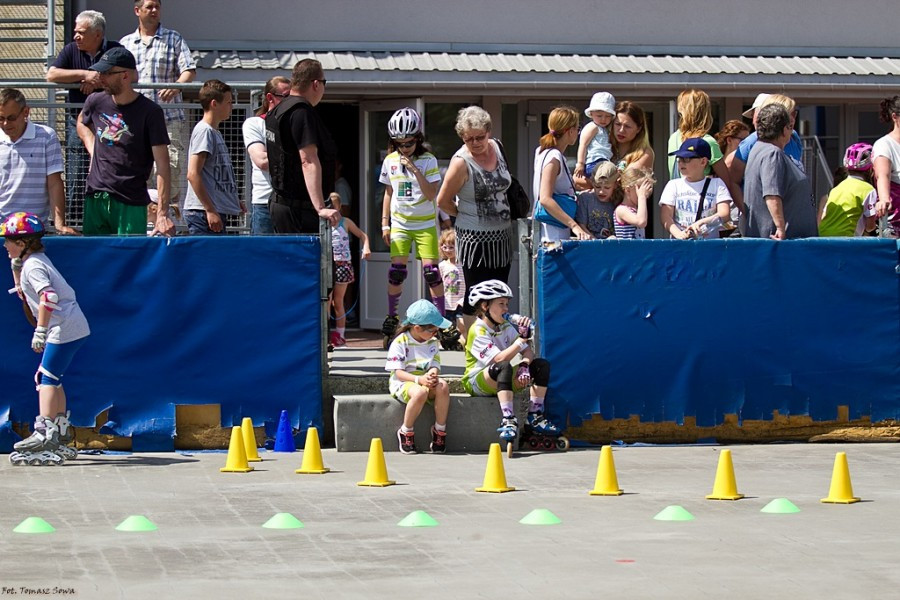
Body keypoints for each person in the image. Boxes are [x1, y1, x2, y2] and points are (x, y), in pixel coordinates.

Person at [3, 212, 90, 466]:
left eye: (8, 240)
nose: (4, 245)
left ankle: (44, 432)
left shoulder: (33, 265)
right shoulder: (34, 260)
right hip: (73, 326)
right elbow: (23, 292)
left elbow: (48, 297)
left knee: (46, 378)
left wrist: (40, 330)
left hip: (63, 328)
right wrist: (16, 269)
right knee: (53, 377)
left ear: (22, 244)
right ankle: (59, 429)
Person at [76, 47, 174, 236]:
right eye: (100, 72)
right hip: (96, 196)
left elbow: (163, 165)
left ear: (125, 75)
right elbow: (81, 122)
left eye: (107, 73)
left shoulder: (150, 112)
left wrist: (162, 213)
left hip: (131, 200)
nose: (101, 78)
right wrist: (92, 146)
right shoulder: (95, 101)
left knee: (129, 260)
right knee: (95, 260)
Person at [436, 106, 515, 329]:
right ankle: (474, 345)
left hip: (501, 236)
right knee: (476, 295)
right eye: (469, 139)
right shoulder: (461, 162)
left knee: (500, 293)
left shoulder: (497, 147)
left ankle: (495, 341)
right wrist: (464, 214)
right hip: (474, 239)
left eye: (480, 137)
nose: (475, 143)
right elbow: (443, 201)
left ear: (488, 132)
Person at [462, 280, 562, 449]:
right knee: (504, 366)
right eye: (501, 304)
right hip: (477, 381)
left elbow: (528, 351)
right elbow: (499, 360)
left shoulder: (505, 325)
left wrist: (524, 365)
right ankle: (508, 419)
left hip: (502, 379)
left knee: (541, 365)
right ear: (485, 306)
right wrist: (521, 341)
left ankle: (534, 415)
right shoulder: (477, 330)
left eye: (507, 304)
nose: (506, 309)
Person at [120, 0, 196, 216]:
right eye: (149, 6)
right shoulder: (125, 43)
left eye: (157, 7)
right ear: (137, 11)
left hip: (168, 118)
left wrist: (176, 87)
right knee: (137, 171)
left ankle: (167, 219)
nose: (154, 10)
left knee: (169, 169)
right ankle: (142, 221)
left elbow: (189, 70)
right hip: (134, 121)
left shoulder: (173, 38)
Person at [46, 10, 122, 224]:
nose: (76, 37)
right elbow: (52, 75)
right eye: (75, 32)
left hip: (110, 123)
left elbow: (130, 75)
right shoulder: (71, 50)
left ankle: (108, 219)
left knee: (110, 168)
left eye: (81, 32)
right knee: (77, 172)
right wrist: (84, 74)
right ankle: (75, 222)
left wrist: (100, 79)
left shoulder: (115, 50)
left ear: (97, 34)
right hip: (77, 121)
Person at [377, 107, 445, 346]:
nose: (404, 148)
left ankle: (441, 323)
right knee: (396, 272)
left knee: (432, 274)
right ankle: (392, 318)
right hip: (400, 224)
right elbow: (388, 192)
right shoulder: (390, 161)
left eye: (408, 144)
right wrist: (385, 224)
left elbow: (431, 194)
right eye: (399, 144)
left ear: (417, 139)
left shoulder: (428, 160)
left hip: (425, 223)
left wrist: (415, 169)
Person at [265, 58, 340, 233]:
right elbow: (308, 161)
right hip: (299, 211)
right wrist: (320, 207)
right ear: (315, 84)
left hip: (282, 205)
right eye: (324, 82)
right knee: (307, 261)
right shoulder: (301, 112)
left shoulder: (278, 110)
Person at [0, 89, 74, 234]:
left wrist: (60, 225)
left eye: (12, 118)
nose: (5, 124)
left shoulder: (46, 136)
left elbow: (54, 183)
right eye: (0, 118)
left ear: (26, 112)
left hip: (35, 229)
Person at [740, 104, 817, 239]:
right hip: (780, 243)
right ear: (783, 130)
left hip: (780, 242)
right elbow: (772, 193)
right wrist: (780, 228)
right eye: (790, 127)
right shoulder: (772, 153)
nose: (792, 132)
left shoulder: (759, 149)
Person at [385, 299, 451, 454]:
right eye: (432, 331)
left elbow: (434, 363)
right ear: (417, 328)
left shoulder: (432, 342)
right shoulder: (400, 342)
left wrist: (433, 373)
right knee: (420, 392)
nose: (435, 334)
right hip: (403, 382)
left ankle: (440, 430)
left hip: (424, 379)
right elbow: (398, 373)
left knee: (443, 386)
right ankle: (406, 430)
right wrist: (419, 380)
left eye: (437, 331)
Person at [667, 89, 743, 214]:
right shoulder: (708, 141)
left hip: (678, 206)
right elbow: (726, 181)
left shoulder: (674, 138)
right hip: (704, 208)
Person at [182, 80, 242, 235]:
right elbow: (193, 173)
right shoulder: (205, 131)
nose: (232, 107)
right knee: (206, 259)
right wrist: (209, 210)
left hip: (212, 210)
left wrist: (232, 200)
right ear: (214, 104)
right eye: (229, 102)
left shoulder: (215, 132)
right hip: (202, 213)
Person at [533, 106, 590, 242]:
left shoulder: (541, 151)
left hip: (550, 232)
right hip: (552, 235)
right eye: (577, 128)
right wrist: (574, 226)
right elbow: (545, 199)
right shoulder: (554, 157)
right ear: (570, 131)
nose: (578, 132)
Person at [242, 76, 290, 235]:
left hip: (292, 203)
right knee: (262, 257)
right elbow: (262, 161)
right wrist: (297, 160)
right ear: (270, 98)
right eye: (286, 97)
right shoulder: (254, 123)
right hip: (264, 203)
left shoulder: (295, 123)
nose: (291, 103)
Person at [659, 137, 733, 239]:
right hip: (681, 246)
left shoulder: (717, 184)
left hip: (708, 246)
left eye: (686, 159)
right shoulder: (673, 185)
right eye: (679, 159)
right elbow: (666, 217)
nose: (681, 163)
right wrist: (678, 234)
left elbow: (725, 214)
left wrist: (702, 223)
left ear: (703, 162)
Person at [727, 94, 805, 190]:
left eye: (794, 113)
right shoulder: (751, 142)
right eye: (790, 113)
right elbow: (732, 177)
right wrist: (743, 205)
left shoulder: (793, 137)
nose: (793, 118)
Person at [819, 143, 877, 237]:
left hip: (824, 236)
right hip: (847, 239)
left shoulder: (836, 189)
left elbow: (824, 216)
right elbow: (869, 227)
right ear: (870, 169)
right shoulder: (868, 190)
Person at [329, 213, 370, 348]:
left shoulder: (345, 221)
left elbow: (363, 235)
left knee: (338, 301)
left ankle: (340, 335)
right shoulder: (323, 222)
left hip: (342, 264)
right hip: (328, 263)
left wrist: (366, 247)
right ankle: (325, 335)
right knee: (326, 301)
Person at [573, 91, 615, 187]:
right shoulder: (592, 127)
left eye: (608, 116)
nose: (603, 119)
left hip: (605, 161)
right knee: (603, 183)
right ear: (591, 114)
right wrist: (580, 163)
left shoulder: (605, 130)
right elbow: (583, 144)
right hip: (595, 161)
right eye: (599, 116)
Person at [872, 95, 900, 237]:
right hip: (895, 222)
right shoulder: (885, 145)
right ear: (895, 117)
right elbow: (883, 176)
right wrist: (884, 198)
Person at [438, 228, 466, 349]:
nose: (448, 250)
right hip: (448, 301)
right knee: (447, 325)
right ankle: (447, 342)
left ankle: (462, 342)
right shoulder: (442, 265)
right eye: (445, 247)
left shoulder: (463, 264)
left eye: (451, 247)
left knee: (462, 324)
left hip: (462, 300)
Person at [575, 161, 619, 239]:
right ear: (592, 182)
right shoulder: (585, 198)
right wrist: (595, 242)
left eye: (607, 187)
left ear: (615, 185)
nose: (601, 191)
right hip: (590, 243)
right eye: (597, 187)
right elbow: (581, 225)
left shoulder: (617, 200)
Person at [610, 100, 655, 172]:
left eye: (627, 126)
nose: (621, 130)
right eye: (618, 124)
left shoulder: (644, 153)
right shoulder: (605, 147)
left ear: (638, 129)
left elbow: (628, 179)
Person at [614, 166, 654, 239]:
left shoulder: (636, 209)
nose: (644, 193)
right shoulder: (621, 210)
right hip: (627, 250)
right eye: (640, 189)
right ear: (628, 190)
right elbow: (641, 222)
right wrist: (642, 196)